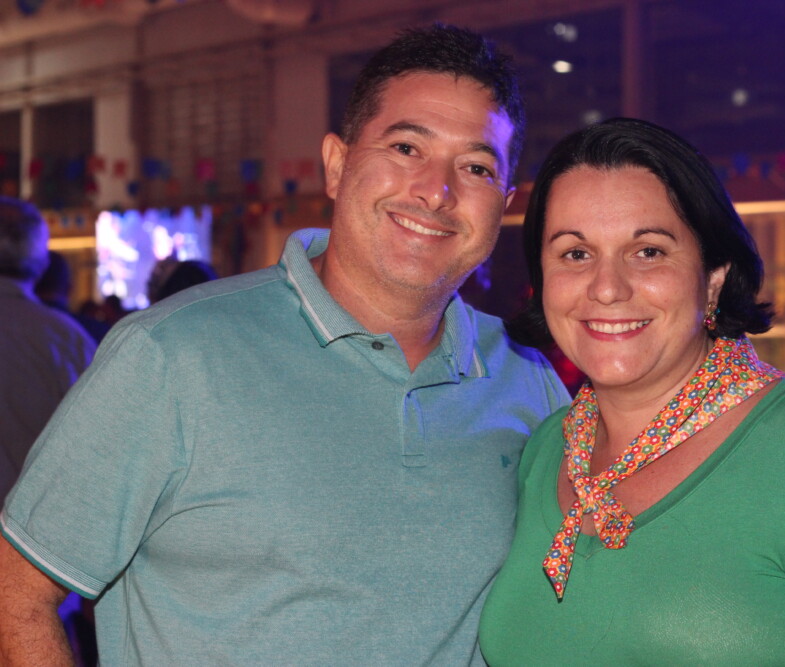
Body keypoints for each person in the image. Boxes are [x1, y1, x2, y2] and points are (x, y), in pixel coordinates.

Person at [0, 25, 568, 666]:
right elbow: (16, 592)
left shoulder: (527, 380)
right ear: (336, 165)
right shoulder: (173, 355)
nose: (436, 190)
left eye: (476, 168)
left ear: (504, 203)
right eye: (406, 147)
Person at [477, 119, 785, 664]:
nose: (607, 287)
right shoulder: (543, 454)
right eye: (575, 253)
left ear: (713, 277)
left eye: (648, 251)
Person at [0, 199, 96, 500]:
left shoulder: (64, 337)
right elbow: (97, 438)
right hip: (27, 517)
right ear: (41, 259)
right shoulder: (64, 338)